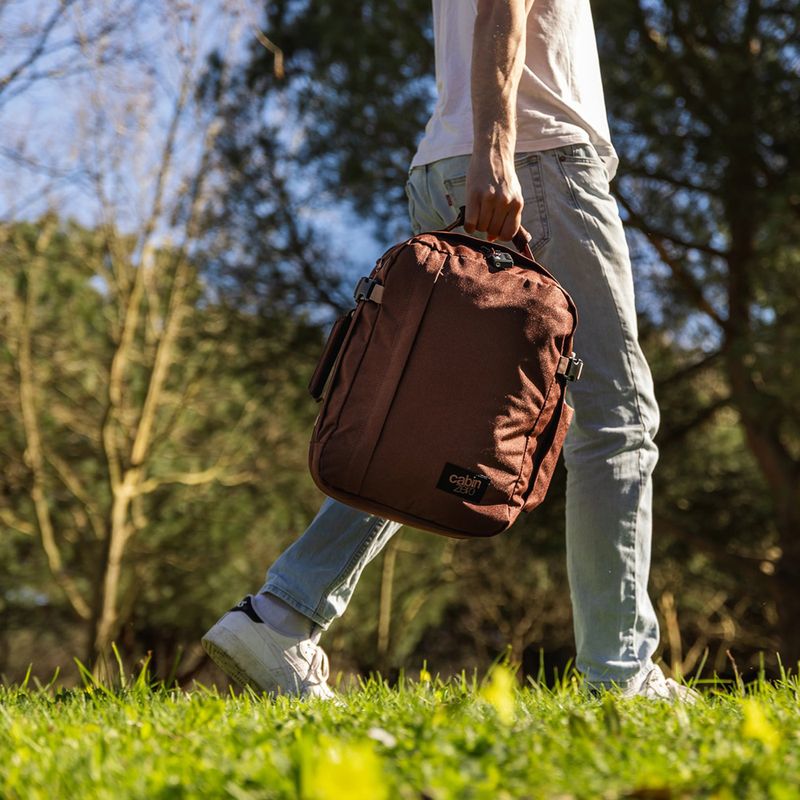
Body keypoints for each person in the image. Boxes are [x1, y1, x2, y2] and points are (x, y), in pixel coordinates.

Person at [202, 0, 694, 702]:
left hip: (450, 163)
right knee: (617, 414)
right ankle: (619, 673)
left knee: (422, 424)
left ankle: (280, 617)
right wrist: (497, 153)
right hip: (533, 161)